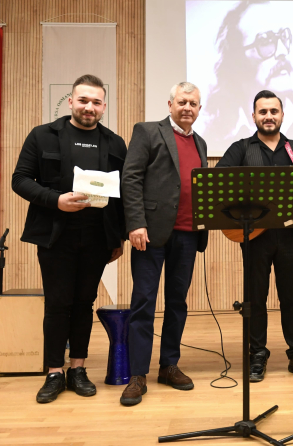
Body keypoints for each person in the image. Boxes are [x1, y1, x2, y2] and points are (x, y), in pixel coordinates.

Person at [12, 74, 127, 403]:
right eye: (84, 100)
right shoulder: (42, 135)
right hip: (55, 234)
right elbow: (20, 180)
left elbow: (122, 193)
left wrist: (118, 238)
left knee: (83, 303)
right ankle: (54, 372)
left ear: (104, 106)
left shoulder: (115, 143)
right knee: (57, 303)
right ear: (71, 101)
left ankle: (78, 368)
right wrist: (56, 200)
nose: (89, 107)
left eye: (96, 102)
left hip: (97, 236)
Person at [216, 90, 293, 382]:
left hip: (290, 236)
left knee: (291, 298)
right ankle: (257, 354)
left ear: (282, 115)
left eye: (274, 111)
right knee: (255, 297)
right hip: (254, 237)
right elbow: (220, 181)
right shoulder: (240, 149)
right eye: (262, 112)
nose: (268, 116)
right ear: (253, 116)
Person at [119, 82, 209, 406]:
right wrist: (135, 223)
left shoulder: (200, 142)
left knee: (177, 303)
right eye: (182, 102)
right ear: (170, 104)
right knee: (144, 302)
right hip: (150, 233)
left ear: (199, 109)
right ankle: (137, 375)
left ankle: (169, 366)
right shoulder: (147, 132)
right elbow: (130, 177)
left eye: (193, 104)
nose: (187, 108)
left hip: (187, 234)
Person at [201, 1, 293, 148]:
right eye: (266, 41)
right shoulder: (218, 138)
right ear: (238, 58)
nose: (282, 52)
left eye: (283, 37)